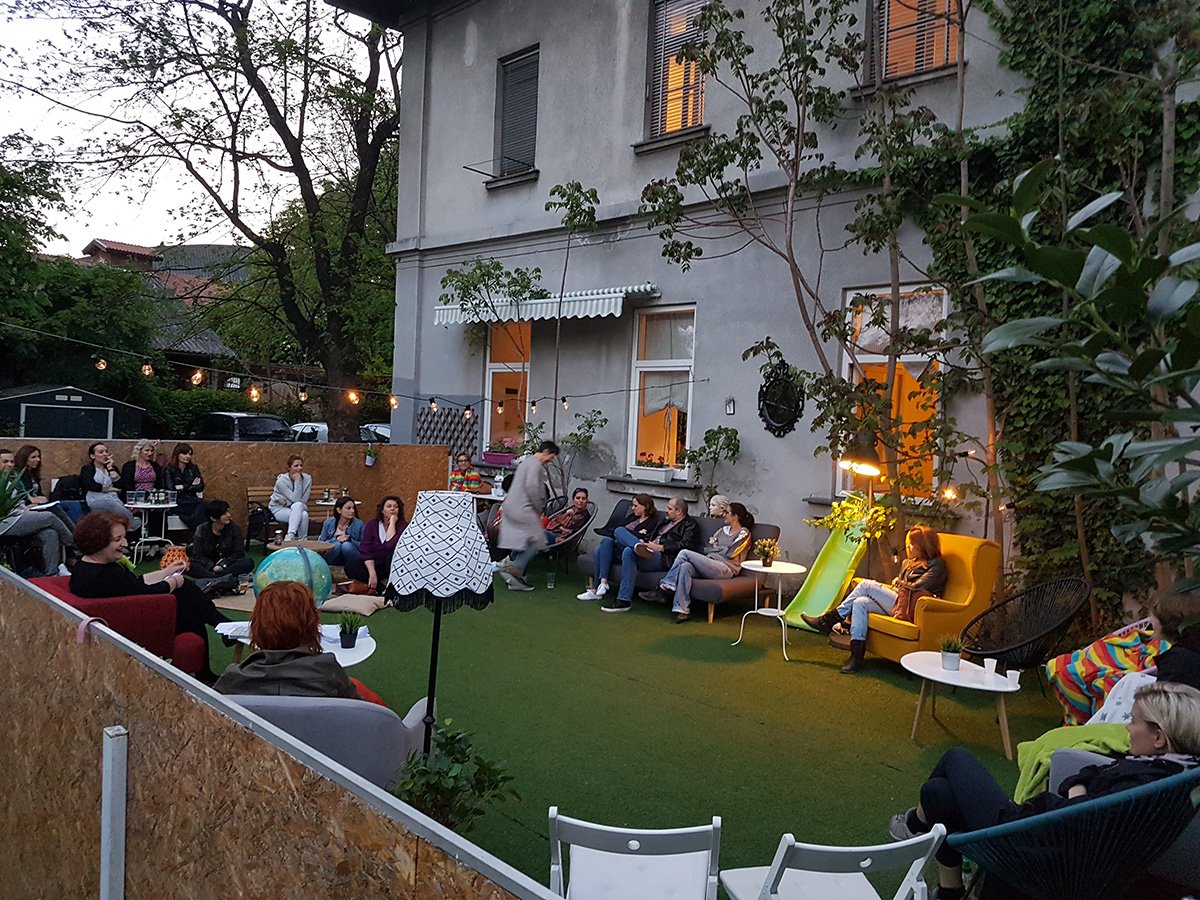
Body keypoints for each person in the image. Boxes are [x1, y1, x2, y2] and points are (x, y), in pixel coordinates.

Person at [888, 682, 1200, 900]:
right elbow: (1084, 776)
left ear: (1158, 737)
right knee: (939, 791)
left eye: (1133, 721)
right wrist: (1079, 790)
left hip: (1028, 844)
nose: (1127, 728)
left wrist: (1077, 796)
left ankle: (916, 824)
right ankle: (950, 892)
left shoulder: (1145, 783)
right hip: (1042, 835)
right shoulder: (1171, 772)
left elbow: (1081, 818)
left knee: (956, 758)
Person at [70, 510, 229, 683]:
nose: (125, 543)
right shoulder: (108, 574)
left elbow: (135, 584)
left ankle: (222, 628)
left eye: (124, 538)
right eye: (117, 540)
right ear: (98, 542)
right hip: (136, 627)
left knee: (190, 603)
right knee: (189, 602)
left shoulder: (84, 568)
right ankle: (223, 628)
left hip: (127, 616)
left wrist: (166, 572)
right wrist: (173, 582)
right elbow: (145, 593)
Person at [802, 525, 947, 674]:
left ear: (923, 545)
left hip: (913, 608)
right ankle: (856, 657)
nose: (908, 547)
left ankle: (828, 620)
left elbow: (917, 588)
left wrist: (898, 582)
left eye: (912, 544)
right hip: (899, 604)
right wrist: (897, 585)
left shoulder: (937, 565)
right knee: (860, 603)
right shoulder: (908, 563)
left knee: (866, 585)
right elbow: (900, 588)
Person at [213, 580, 378, 701]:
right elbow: (366, 713)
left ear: (258, 626)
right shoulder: (329, 674)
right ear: (311, 624)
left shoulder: (233, 679)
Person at [597, 497, 701, 613]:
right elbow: (652, 536)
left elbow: (686, 546)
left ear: (679, 511)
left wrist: (660, 547)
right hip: (648, 549)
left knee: (628, 551)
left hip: (663, 557)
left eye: (669, 509)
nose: (666, 511)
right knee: (619, 532)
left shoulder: (690, 525)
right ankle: (636, 546)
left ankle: (623, 600)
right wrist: (644, 542)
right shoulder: (665, 521)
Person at [658, 502, 754, 623]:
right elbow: (708, 548)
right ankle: (682, 609)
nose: (724, 515)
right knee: (685, 566)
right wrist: (720, 550)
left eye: (727, 512)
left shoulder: (744, 534)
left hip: (726, 569)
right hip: (710, 564)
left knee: (684, 553)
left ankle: (668, 583)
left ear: (735, 516)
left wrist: (717, 550)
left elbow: (730, 554)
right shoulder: (722, 530)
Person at [0, 450, 76, 577]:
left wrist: (27, 508)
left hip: (20, 515)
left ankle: (52, 573)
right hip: (6, 522)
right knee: (49, 517)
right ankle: (76, 545)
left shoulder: (9, 480)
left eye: (12, 462)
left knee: (50, 533)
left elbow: (18, 503)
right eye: (5, 461)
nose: (9, 465)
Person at [496, 440, 560, 591]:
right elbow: (532, 487)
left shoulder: (526, 462)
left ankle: (511, 569)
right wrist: (539, 507)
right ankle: (514, 569)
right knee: (538, 541)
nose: (550, 461)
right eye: (551, 457)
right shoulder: (535, 465)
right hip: (523, 508)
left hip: (512, 507)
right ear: (546, 452)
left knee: (523, 540)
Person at [577, 493, 662, 603]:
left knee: (616, 536)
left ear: (645, 506)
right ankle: (601, 584)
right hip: (620, 547)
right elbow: (617, 532)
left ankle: (636, 546)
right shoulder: (632, 517)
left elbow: (646, 537)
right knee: (604, 543)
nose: (633, 508)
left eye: (635, 506)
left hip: (633, 553)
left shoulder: (653, 521)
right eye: (632, 505)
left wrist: (627, 534)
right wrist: (634, 534)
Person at [506, 487, 592, 580]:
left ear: (587, 500)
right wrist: (561, 523)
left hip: (561, 539)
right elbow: (553, 521)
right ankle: (518, 570)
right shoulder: (570, 511)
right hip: (550, 534)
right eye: (578, 498)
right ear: (573, 499)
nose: (580, 501)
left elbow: (568, 530)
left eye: (583, 498)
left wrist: (561, 522)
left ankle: (512, 562)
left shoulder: (583, 515)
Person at [10, 444, 78, 536]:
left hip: (37, 505)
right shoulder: (16, 474)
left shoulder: (32, 474)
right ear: (24, 458)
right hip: (25, 508)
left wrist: (40, 499)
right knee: (55, 510)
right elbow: (21, 494)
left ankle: (75, 535)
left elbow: (39, 494)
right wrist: (31, 500)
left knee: (65, 508)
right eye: (33, 457)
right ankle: (75, 537)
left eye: (38, 457)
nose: (38, 460)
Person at [79, 442, 141, 530]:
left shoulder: (112, 468)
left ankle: (125, 529)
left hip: (113, 498)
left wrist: (110, 468)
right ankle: (132, 522)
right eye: (101, 452)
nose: (105, 454)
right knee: (111, 504)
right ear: (92, 456)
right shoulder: (88, 468)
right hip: (95, 499)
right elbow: (90, 485)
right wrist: (109, 489)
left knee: (118, 505)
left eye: (106, 451)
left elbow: (120, 485)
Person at [188, 500, 254, 581]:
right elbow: (198, 555)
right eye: (224, 513)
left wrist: (223, 565)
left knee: (247, 562)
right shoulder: (201, 529)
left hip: (227, 565)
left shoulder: (234, 529)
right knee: (190, 564)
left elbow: (238, 553)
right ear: (213, 518)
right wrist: (212, 566)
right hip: (207, 566)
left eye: (228, 512)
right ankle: (221, 579)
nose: (229, 515)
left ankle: (214, 579)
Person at [358, 495, 406, 593]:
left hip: (391, 565)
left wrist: (392, 523)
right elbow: (366, 549)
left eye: (396, 507)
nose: (392, 509)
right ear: (382, 510)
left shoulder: (403, 526)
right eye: (389, 506)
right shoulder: (372, 524)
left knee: (390, 557)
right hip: (375, 564)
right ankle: (379, 587)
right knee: (352, 565)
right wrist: (372, 573)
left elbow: (389, 545)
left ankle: (390, 587)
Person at [163, 443, 206, 529]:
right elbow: (171, 489)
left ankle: (199, 530)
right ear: (177, 455)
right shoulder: (169, 469)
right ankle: (198, 530)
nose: (187, 456)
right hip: (177, 501)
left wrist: (183, 487)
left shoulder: (193, 468)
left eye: (189, 454)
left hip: (192, 499)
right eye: (184, 454)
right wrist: (191, 486)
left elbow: (201, 486)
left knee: (205, 506)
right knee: (202, 506)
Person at [270, 454, 312, 541]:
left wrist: (288, 502)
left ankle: (291, 536)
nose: (299, 468)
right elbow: (296, 499)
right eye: (296, 466)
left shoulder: (307, 479)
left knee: (298, 506)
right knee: (303, 515)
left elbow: (302, 500)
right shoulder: (281, 481)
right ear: (289, 468)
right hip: (279, 509)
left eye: (301, 465)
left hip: (299, 507)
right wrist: (297, 482)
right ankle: (302, 540)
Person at [319, 496, 365, 572]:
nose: (352, 511)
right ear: (339, 510)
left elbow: (364, 546)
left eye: (353, 508)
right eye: (348, 508)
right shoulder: (328, 523)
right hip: (333, 556)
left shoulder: (359, 524)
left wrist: (350, 540)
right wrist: (336, 539)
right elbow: (321, 544)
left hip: (351, 556)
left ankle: (352, 568)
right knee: (336, 545)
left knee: (346, 545)